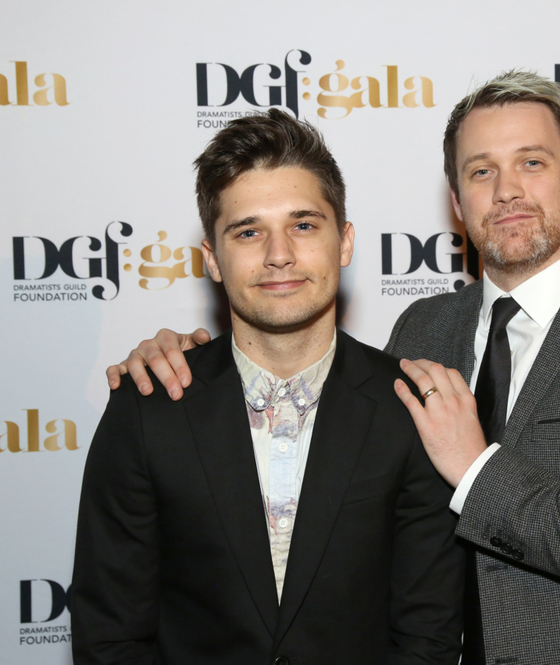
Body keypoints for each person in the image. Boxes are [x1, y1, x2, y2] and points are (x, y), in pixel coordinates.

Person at [107, 72, 560, 665]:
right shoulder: (425, 329)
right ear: (456, 199)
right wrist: (183, 354)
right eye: (481, 171)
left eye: (532, 163)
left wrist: (478, 472)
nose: (506, 190)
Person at [72, 110, 463, 665]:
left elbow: (427, 636)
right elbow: (109, 634)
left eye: (304, 224)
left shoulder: (410, 410)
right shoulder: (147, 407)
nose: (278, 253)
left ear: (344, 242)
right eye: (249, 231)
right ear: (212, 258)